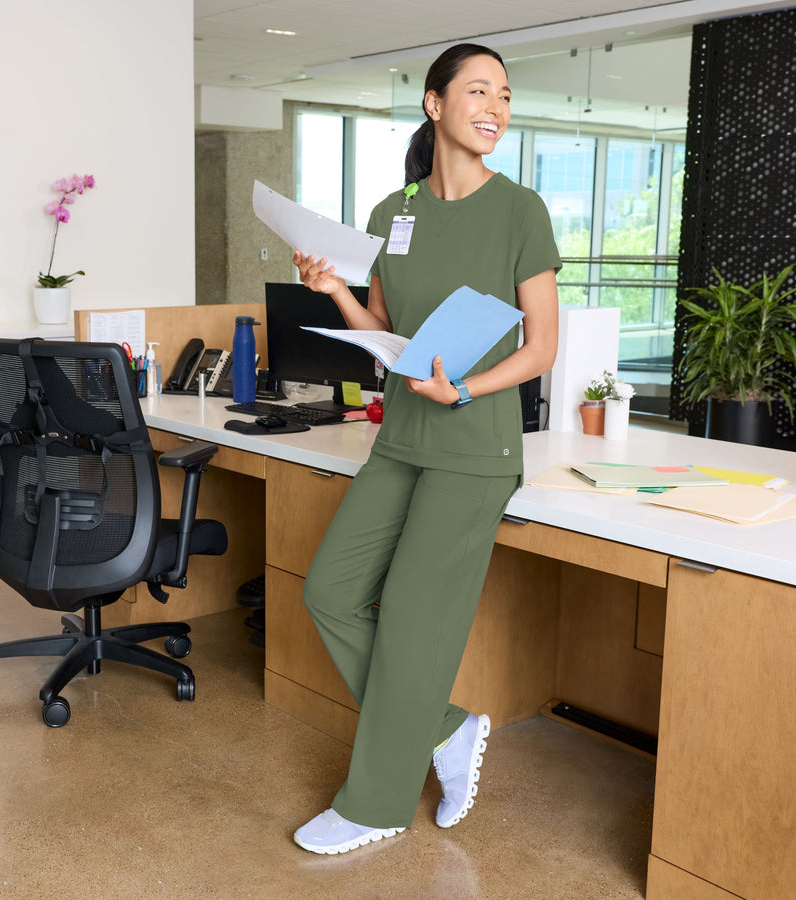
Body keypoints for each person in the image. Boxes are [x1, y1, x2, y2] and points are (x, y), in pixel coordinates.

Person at [291, 42, 561, 855]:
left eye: (505, 95)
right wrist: (336, 292)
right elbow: (387, 334)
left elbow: (541, 346)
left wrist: (469, 389)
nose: (496, 107)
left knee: (411, 619)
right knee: (330, 591)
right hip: (400, 438)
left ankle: (374, 804)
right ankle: (445, 727)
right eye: (479, 91)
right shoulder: (391, 213)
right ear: (434, 105)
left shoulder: (521, 210)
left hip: (474, 445)